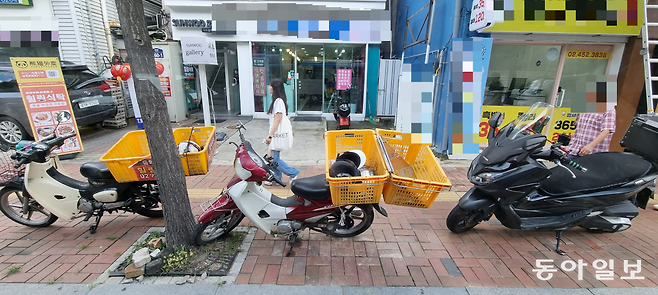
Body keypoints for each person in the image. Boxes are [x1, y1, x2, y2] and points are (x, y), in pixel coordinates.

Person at [263, 78, 299, 185]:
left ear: (275, 88)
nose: (269, 87)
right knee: (271, 157)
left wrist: (270, 135)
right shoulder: (278, 101)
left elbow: (278, 120)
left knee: (274, 159)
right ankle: (276, 177)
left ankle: (293, 173)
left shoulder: (278, 102)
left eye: (270, 86)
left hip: (276, 134)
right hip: (276, 133)